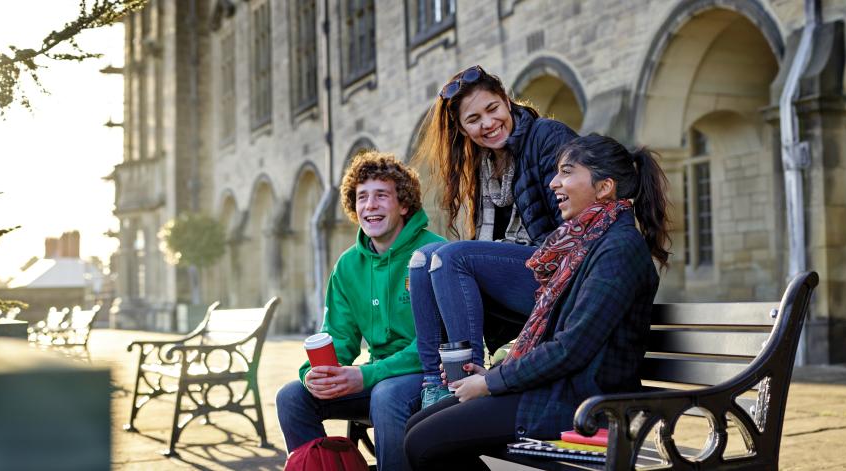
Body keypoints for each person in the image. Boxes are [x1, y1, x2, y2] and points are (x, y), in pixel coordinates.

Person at [403, 134, 672, 469]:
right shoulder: (585, 242)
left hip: (582, 401)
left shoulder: (618, 249)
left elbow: (570, 348)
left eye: (567, 172)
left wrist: (489, 383)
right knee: (415, 428)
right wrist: (496, 373)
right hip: (555, 389)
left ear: (604, 188)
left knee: (423, 443)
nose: (553, 182)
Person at [408, 65, 579, 408]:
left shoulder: (547, 137)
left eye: (492, 109)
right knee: (422, 259)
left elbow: (574, 226)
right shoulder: (484, 163)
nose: (487, 124)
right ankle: (436, 385)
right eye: (473, 119)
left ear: (506, 101)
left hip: (561, 277)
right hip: (523, 278)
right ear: (461, 128)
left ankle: (468, 385)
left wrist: (496, 254)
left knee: (451, 257)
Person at [276, 151, 446, 471]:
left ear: (404, 205)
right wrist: (317, 374)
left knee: (386, 395)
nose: (370, 205)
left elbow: (435, 345)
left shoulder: (435, 253)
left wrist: (365, 375)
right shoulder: (347, 266)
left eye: (382, 195)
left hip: (429, 379)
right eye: (362, 197)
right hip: (377, 378)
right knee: (292, 396)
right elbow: (338, 336)